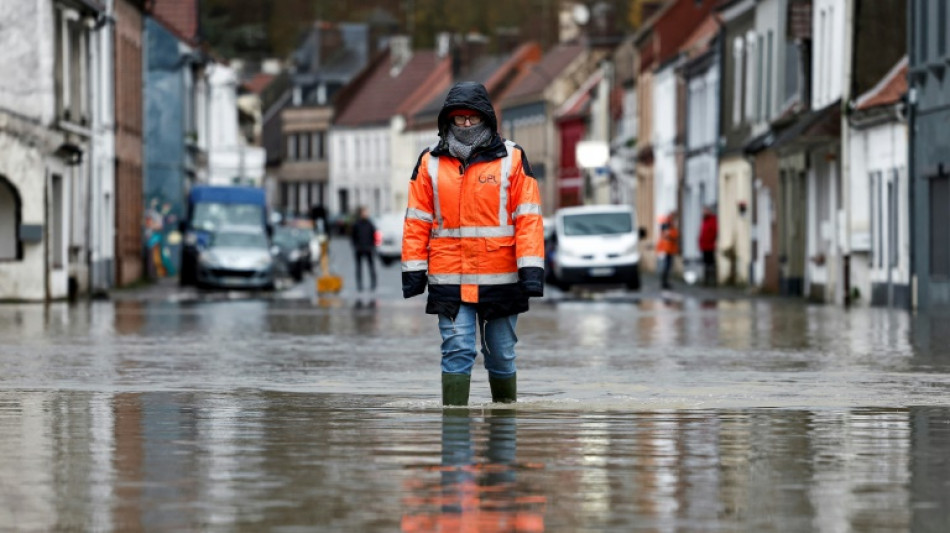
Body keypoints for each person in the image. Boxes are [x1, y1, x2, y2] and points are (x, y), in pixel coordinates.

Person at [401, 81, 545, 406]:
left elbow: (529, 219)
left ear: (486, 119)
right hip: (449, 279)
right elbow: (416, 222)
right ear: (448, 121)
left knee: (501, 355)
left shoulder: (513, 158)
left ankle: (502, 441)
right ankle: (455, 447)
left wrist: (532, 271)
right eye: (459, 118)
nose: (466, 124)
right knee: (457, 349)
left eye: (473, 118)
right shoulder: (429, 163)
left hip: (502, 279)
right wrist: (413, 272)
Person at [351, 206, 377, 293]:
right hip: (359, 249)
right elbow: (353, 236)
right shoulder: (356, 224)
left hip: (368, 248)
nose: (366, 214)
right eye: (364, 212)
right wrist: (355, 246)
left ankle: (373, 284)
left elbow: (374, 235)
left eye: (366, 212)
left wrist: (373, 246)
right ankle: (359, 284)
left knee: (371, 267)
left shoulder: (370, 224)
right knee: (359, 268)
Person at [656, 212, 679, 290]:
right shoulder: (667, 225)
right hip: (666, 249)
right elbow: (669, 235)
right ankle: (664, 282)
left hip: (668, 248)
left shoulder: (667, 225)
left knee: (668, 266)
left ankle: (665, 282)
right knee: (666, 266)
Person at [698, 205, 718, 286]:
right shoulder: (704, 221)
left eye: (705, 211)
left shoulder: (712, 220)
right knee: (706, 264)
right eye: (703, 211)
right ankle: (706, 280)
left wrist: (710, 241)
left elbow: (713, 232)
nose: (704, 212)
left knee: (711, 264)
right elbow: (702, 233)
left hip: (710, 246)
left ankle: (712, 280)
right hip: (704, 246)